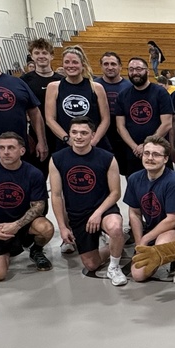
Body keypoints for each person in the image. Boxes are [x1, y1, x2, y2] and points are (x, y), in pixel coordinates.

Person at [0, 132, 55, 280]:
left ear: (22, 151)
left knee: (46, 228)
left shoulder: (34, 173)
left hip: (24, 225)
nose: (5, 152)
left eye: (11, 147)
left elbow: (38, 206)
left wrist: (17, 225)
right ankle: (7, 251)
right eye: (1, 148)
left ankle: (36, 250)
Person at [48, 117, 127, 286]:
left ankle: (114, 266)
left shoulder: (107, 158)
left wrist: (98, 213)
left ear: (92, 135)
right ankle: (116, 244)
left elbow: (115, 193)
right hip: (78, 215)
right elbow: (55, 195)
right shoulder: (57, 159)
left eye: (84, 133)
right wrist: (62, 227)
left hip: (103, 209)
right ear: (69, 134)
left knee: (115, 226)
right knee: (91, 264)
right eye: (74, 132)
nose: (78, 137)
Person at [123, 136, 175, 283]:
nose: (150, 158)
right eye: (147, 153)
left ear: (165, 159)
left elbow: (173, 219)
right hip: (152, 229)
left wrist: (146, 238)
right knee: (138, 276)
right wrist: (140, 244)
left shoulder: (174, 181)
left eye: (156, 155)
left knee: (161, 244)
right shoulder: (134, 179)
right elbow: (134, 213)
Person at [45, 45, 111, 155]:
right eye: (67, 62)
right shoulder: (53, 87)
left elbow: (105, 119)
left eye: (75, 62)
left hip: (95, 145)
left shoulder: (96, 87)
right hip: (66, 145)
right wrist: (68, 140)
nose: (70, 66)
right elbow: (50, 119)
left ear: (82, 65)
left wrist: (93, 142)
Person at [115, 57, 174, 177]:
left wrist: (147, 146)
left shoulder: (160, 93)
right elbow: (120, 126)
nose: (135, 72)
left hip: (158, 151)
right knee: (135, 189)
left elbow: (167, 123)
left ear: (147, 71)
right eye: (131, 69)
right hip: (134, 153)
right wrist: (135, 147)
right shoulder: (123, 96)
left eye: (139, 69)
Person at [21, 38, 64, 176]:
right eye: (37, 53)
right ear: (32, 56)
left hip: (60, 135)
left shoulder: (62, 81)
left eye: (44, 53)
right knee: (37, 177)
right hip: (36, 135)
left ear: (51, 55)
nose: (41, 56)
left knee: (61, 177)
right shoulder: (24, 81)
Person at [94, 51, 133, 168]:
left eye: (113, 64)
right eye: (106, 64)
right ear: (101, 66)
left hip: (124, 136)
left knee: (127, 170)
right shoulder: (93, 85)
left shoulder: (130, 86)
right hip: (101, 136)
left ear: (120, 66)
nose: (109, 67)